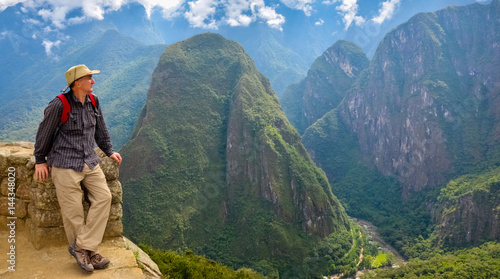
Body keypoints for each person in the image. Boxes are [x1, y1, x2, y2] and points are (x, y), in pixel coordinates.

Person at [33, 64, 122, 273]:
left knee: (104, 197)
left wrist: (108, 150)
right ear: (76, 83)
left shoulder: (93, 101)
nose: (93, 81)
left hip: (89, 160)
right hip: (64, 163)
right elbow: (44, 132)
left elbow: (101, 129)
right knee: (73, 212)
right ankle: (86, 253)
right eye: (89, 78)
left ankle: (83, 247)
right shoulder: (59, 104)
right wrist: (39, 159)